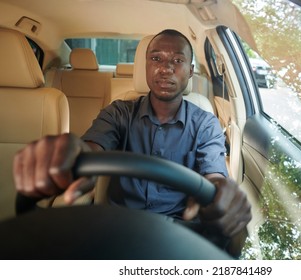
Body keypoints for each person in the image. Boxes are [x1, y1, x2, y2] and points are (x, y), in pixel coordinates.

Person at [13, 29, 252, 256]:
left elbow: (214, 176)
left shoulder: (205, 123)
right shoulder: (118, 112)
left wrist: (223, 195)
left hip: (180, 231)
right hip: (116, 227)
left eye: (177, 61)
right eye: (156, 58)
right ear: (146, 66)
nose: (165, 68)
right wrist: (71, 155)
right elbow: (90, 148)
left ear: (190, 71)